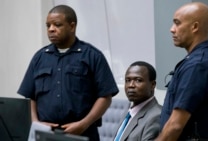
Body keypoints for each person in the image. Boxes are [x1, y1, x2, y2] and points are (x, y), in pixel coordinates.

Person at [17, 5, 119, 141]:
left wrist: (83, 124)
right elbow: (31, 97)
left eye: (57, 25)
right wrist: (36, 123)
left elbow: (105, 97)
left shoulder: (92, 56)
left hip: (82, 133)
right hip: (46, 134)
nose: (51, 29)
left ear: (72, 26)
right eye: (48, 26)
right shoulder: (40, 57)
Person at [155, 2, 208, 141]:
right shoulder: (201, 60)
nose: (172, 29)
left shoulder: (198, 65)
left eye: (177, 23)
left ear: (194, 27)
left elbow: (175, 125)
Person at [114, 61, 162, 141]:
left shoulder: (156, 116)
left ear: (152, 85)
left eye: (138, 80)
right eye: (127, 80)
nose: (131, 85)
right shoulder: (129, 112)